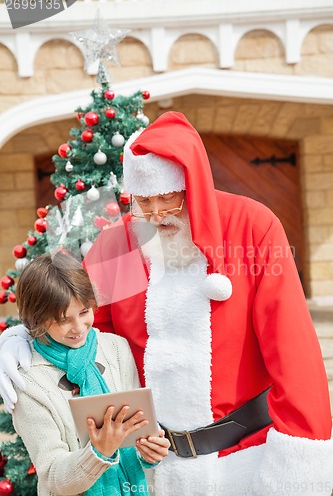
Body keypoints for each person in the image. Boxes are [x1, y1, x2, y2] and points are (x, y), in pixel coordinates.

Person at [0, 111, 332, 495]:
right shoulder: (118, 246)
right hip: (154, 472)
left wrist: (299, 459)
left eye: (167, 198)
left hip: (246, 459)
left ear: (191, 186)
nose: (156, 215)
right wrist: (25, 337)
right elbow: (81, 323)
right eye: (143, 201)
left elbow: (292, 348)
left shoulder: (252, 226)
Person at [7, 252, 170, 496]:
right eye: (63, 320)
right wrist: (98, 453)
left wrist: (149, 450)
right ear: (37, 319)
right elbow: (52, 477)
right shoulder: (29, 381)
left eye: (84, 312)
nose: (79, 328)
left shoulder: (115, 348)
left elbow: (138, 429)